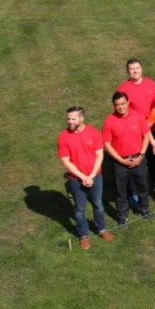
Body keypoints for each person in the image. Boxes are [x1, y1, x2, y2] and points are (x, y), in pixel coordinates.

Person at [57, 106, 113, 249]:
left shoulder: (93, 133)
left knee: (98, 204)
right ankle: (84, 235)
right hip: (76, 180)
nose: (70, 121)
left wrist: (92, 176)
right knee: (79, 209)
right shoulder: (63, 136)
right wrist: (83, 177)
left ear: (82, 118)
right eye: (68, 119)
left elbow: (99, 155)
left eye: (73, 119)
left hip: (96, 177)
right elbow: (66, 161)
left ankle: (101, 229)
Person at [102, 92, 154, 226]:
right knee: (121, 191)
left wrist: (141, 155)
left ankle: (144, 209)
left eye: (123, 104)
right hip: (120, 162)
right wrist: (121, 161)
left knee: (143, 187)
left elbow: (146, 136)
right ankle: (122, 216)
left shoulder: (138, 117)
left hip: (138, 158)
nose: (121, 107)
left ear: (128, 103)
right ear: (114, 106)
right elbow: (107, 144)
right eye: (117, 105)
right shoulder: (109, 121)